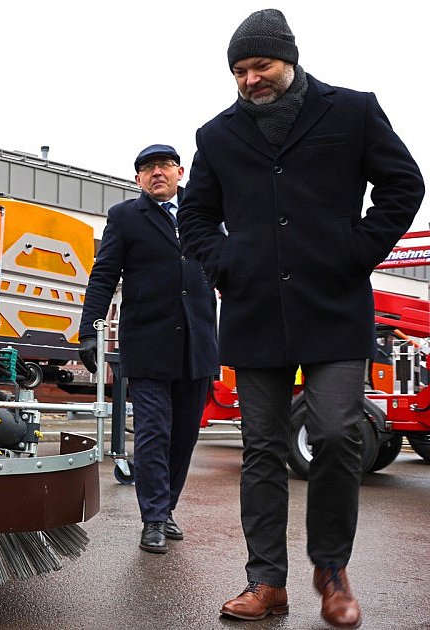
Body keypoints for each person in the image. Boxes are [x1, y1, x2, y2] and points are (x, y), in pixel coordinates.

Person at [178, 9, 424, 628]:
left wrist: (358, 250)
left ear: (289, 59)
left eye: (260, 65)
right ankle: (266, 582)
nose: (249, 79)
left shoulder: (351, 111)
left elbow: (403, 183)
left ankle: (332, 568)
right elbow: (196, 219)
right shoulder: (217, 136)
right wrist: (224, 263)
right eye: (239, 70)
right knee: (261, 448)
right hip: (255, 310)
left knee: (339, 433)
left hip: (334, 305)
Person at [78, 144, 218, 555]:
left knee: (184, 436)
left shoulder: (205, 211)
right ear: (138, 179)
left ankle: (166, 509)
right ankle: (153, 519)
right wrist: (89, 331)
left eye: (163, 166)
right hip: (149, 344)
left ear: (179, 172)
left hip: (198, 344)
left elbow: (225, 263)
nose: (156, 173)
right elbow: (103, 275)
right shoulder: (125, 217)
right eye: (146, 169)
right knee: (155, 433)